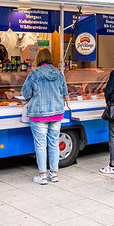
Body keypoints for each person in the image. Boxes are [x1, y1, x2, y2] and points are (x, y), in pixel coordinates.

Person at [22, 48, 67, 185]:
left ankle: (42, 175)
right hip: (56, 113)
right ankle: (53, 174)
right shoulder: (59, 73)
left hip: (39, 114)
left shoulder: (34, 74)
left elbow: (26, 93)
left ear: (38, 59)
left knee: (41, 145)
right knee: (54, 143)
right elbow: (64, 92)